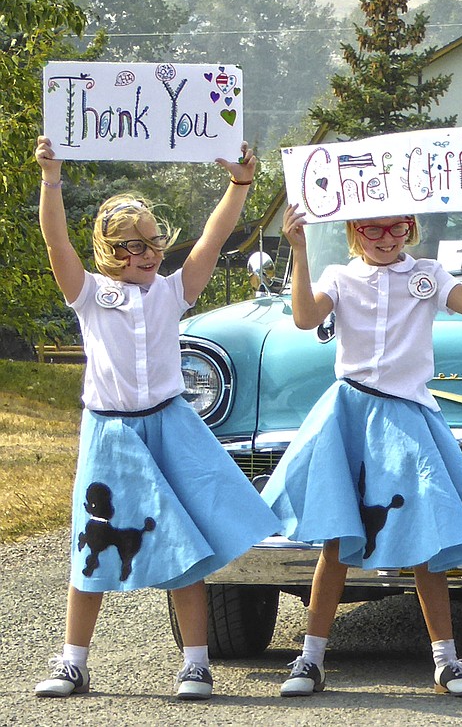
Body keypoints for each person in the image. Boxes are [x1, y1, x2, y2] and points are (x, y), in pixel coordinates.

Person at [32, 136, 280, 701]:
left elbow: (214, 241)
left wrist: (239, 185)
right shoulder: (90, 295)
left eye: (149, 243)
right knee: (90, 544)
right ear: (105, 252)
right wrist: (52, 180)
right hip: (111, 432)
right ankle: (74, 660)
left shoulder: (172, 292)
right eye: (124, 247)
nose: (140, 256)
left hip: (169, 427)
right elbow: (55, 244)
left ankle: (195, 663)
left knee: (185, 544)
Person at [263, 197, 462, 699]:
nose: (387, 238)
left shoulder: (429, 274)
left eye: (397, 227)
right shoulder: (338, 276)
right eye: (374, 230)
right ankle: (311, 658)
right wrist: (299, 249)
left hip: (407, 415)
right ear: (355, 230)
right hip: (350, 413)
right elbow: (306, 319)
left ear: (411, 227)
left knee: (425, 538)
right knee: (337, 538)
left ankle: (446, 661)